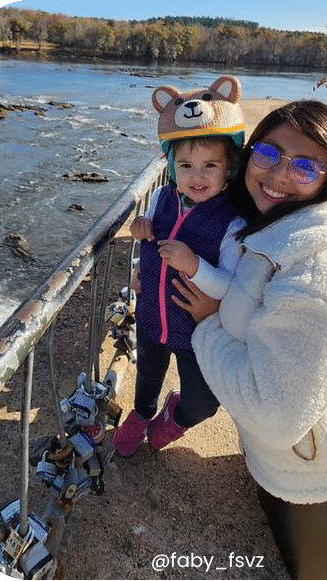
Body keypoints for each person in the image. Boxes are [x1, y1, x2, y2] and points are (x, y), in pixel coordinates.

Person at [172, 100, 327, 580]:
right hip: (288, 466)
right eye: (268, 153)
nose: (279, 174)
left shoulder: (314, 277)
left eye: (305, 166)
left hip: (323, 480)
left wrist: (208, 324)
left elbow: (276, 417)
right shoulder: (275, 230)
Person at [112, 76, 247, 458]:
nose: (196, 177)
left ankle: (176, 417)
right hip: (151, 318)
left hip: (198, 333)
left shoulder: (232, 221)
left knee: (203, 401)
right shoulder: (161, 196)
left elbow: (228, 286)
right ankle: (142, 414)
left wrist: (193, 265)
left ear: (229, 168)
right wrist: (141, 234)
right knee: (147, 377)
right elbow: (150, 241)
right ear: (171, 165)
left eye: (210, 165)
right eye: (185, 165)